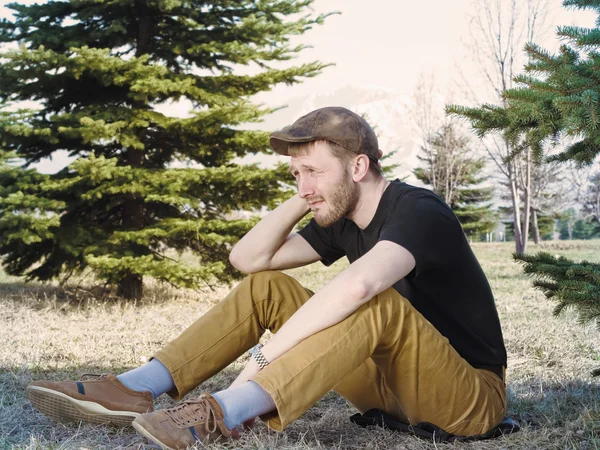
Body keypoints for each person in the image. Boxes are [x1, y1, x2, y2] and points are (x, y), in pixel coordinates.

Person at [26, 106, 508, 450]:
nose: (302, 185)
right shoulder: (340, 220)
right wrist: (313, 193)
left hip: (468, 397)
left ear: (359, 166)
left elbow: (358, 288)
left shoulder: (420, 211)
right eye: (295, 174)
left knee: (375, 303)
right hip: (391, 389)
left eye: (312, 172)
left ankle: (225, 411)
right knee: (268, 288)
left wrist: (262, 358)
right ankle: (137, 387)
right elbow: (249, 259)